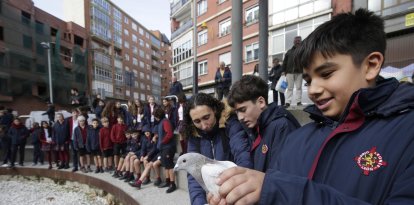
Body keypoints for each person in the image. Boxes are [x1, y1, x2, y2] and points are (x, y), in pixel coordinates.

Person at [209, 9, 414, 205]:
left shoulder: (406, 134)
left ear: (371, 65)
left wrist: (280, 192)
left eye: (326, 74)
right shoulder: (299, 138)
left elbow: (281, 191)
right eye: (308, 80)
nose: (313, 90)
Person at [184, 93, 252, 204]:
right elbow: (193, 174)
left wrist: (237, 191)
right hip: (211, 196)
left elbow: (243, 155)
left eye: (206, 117)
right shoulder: (193, 135)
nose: (204, 125)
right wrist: (199, 202)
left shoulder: (230, 124)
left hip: (235, 190)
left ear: (214, 110)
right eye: (197, 121)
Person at [227, 75, 301, 172]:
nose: (240, 117)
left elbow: (283, 177)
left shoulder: (282, 126)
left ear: (261, 102)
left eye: (243, 110)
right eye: (237, 112)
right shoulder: (256, 127)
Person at [153, 107, 177, 193]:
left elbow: (169, 134)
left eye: (155, 116)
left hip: (168, 147)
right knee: (166, 165)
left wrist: (162, 142)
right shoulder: (161, 122)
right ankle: (167, 181)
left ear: (157, 115)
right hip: (164, 147)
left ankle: (173, 184)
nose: (154, 117)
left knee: (170, 165)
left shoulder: (165, 121)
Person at [283, 36, 303, 108]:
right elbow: (285, 62)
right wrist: (283, 71)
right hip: (289, 72)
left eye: (299, 40)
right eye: (296, 40)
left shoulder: (303, 50)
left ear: (301, 41)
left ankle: (299, 102)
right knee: (290, 88)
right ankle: (287, 102)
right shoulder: (289, 51)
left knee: (299, 87)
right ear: (294, 42)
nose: (297, 41)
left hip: (299, 72)